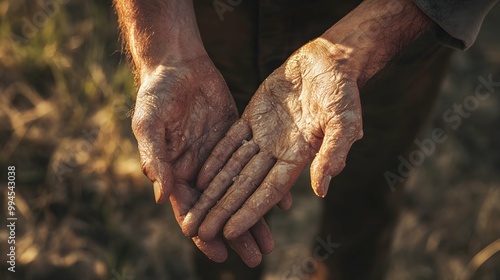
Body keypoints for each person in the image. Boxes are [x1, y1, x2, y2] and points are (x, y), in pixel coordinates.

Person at [113, 0, 498, 279]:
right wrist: (165, 48)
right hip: (205, 21)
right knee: (210, 193)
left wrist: (354, 46)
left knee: (368, 192)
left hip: (388, 23)